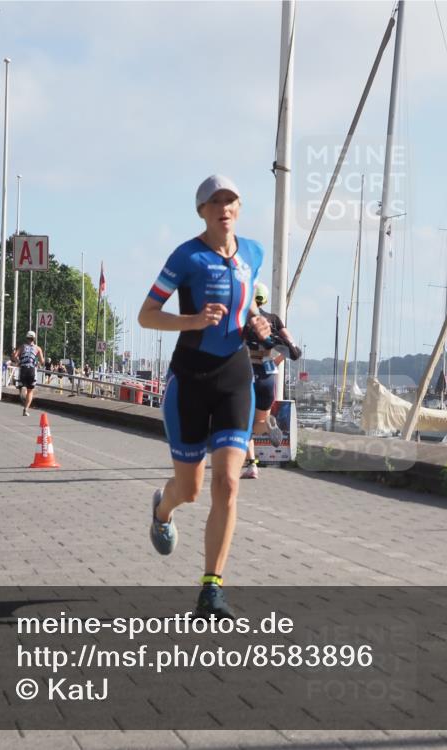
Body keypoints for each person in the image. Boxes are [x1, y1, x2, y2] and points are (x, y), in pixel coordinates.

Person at [138, 174, 270, 619]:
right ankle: (163, 508)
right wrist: (192, 321)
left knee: (228, 483)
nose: (224, 208)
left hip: (234, 375)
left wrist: (259, 322)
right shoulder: (186, 255)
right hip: (190, 379)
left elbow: (247, 302)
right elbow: (146, 315)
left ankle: (211, 588)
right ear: (202, 211)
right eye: (216, 202)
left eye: (231, 201)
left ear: (239, 208)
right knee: (191, 490)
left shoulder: (253, 252)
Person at [241, 281, 301, 479]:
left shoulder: (244, 320)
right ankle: (268, 425)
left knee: (244, 423)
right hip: (268, 374)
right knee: (260, 420)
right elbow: (291, 348)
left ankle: (252, 466)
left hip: (248, 372)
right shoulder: (273, 320)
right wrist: (279, 358)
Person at [12, 331, 45, 416]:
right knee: (30, 391)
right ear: (34, 338)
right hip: (31, 370)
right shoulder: (38, 348)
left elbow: (15, 356)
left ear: (27, 338)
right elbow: (42, 361)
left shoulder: (22, 346)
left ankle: (22, 391)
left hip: (23, 369)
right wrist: (38, 363)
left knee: (22, 386)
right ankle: (26, 409)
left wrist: (19, 362)